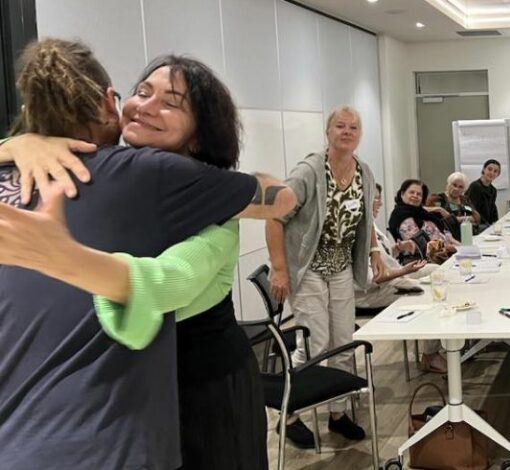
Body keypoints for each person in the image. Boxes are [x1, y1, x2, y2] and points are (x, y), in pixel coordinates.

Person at [0, 39, 294, 469]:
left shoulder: (211, 212)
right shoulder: (105, 171)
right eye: (141, 92)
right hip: (127, 394)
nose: (145, 106)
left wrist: (66, 258)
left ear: (199, 135)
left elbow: (163, 281)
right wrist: (21, 143)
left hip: (202, 388)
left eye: (171, 103)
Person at [265, 105, 383, 448]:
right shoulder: (310, 171)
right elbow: (274, 217)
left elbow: (363, 220)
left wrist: (374, 253)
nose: (347, 132)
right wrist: (280, 268)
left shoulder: (363, 171)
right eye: (340, 126)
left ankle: (337, 411)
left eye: (353, 128)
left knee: (343, 342)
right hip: (309, 267)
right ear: (327, 132)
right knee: (313, 344)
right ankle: (291, 415)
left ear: (360, 135)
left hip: (341, 266)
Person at [358, 183, 446, 373]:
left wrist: (399, 248)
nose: (379, 203)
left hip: (394, 274)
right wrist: (403, 272)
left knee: (438, 272)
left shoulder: (371, 224)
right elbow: (372, 279)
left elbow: (384, 254)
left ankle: (441, 343)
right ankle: (430, 355)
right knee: (431, 293)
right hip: (374, 291)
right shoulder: (359, 231)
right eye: (376, 198)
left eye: (380, 198)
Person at [389, 179, 459, 265]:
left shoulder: (422, 212)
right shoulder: (400, 215)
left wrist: (456, 244)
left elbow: (443, 231)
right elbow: (419, 245)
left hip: (444, 253)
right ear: (402, 194)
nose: (415, 196)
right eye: (411, 192)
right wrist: (448, 247)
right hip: (421, 261)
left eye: (419, 194)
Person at [426, 171, 479, 239]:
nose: (456, 189)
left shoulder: (464, 200)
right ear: (448, 185)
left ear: (463, 190)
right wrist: (439, 209)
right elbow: (422, 209)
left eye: (460, 187)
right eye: (454, 185)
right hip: (444, 237)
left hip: (466, 235)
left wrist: (457, 219)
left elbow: (476, 217)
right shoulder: (437, 199)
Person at [465, 158, 501, 225]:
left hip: (486, 225)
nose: (492, 173)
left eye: (495, 171)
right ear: (484, 169)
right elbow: (472, 210)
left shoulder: (493, 190)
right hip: (475, 224)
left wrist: (495, 224)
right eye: (489, 169)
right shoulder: (475, 187)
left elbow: (492, 210)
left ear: (498, 174)